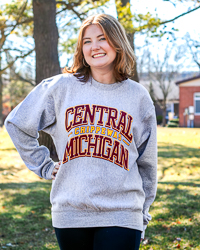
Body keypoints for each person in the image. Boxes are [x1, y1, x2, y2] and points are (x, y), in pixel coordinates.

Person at [5, 14, 157, 250]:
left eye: (102, 38)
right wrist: (44, 165)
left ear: (117, 42)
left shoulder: (137, 96)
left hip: (123, 213)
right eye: (87, 41)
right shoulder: (62, 87)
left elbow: (147, 164)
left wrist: (143, 213)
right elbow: (17, 123)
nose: (94, 47)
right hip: (70, 213)